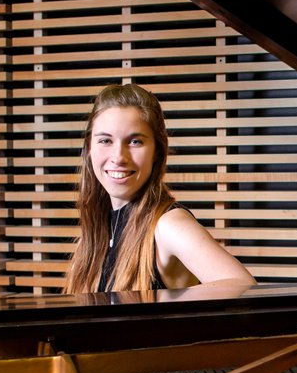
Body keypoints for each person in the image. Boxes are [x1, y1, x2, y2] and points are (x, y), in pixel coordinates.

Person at [62, 83, 256, 293]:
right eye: (105, 140)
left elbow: (244, 286)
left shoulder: (168, 225)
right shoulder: (97, 229)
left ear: (157, 151)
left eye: (135, 141)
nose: (118, 157)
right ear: (89, 149)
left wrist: (160, 306)